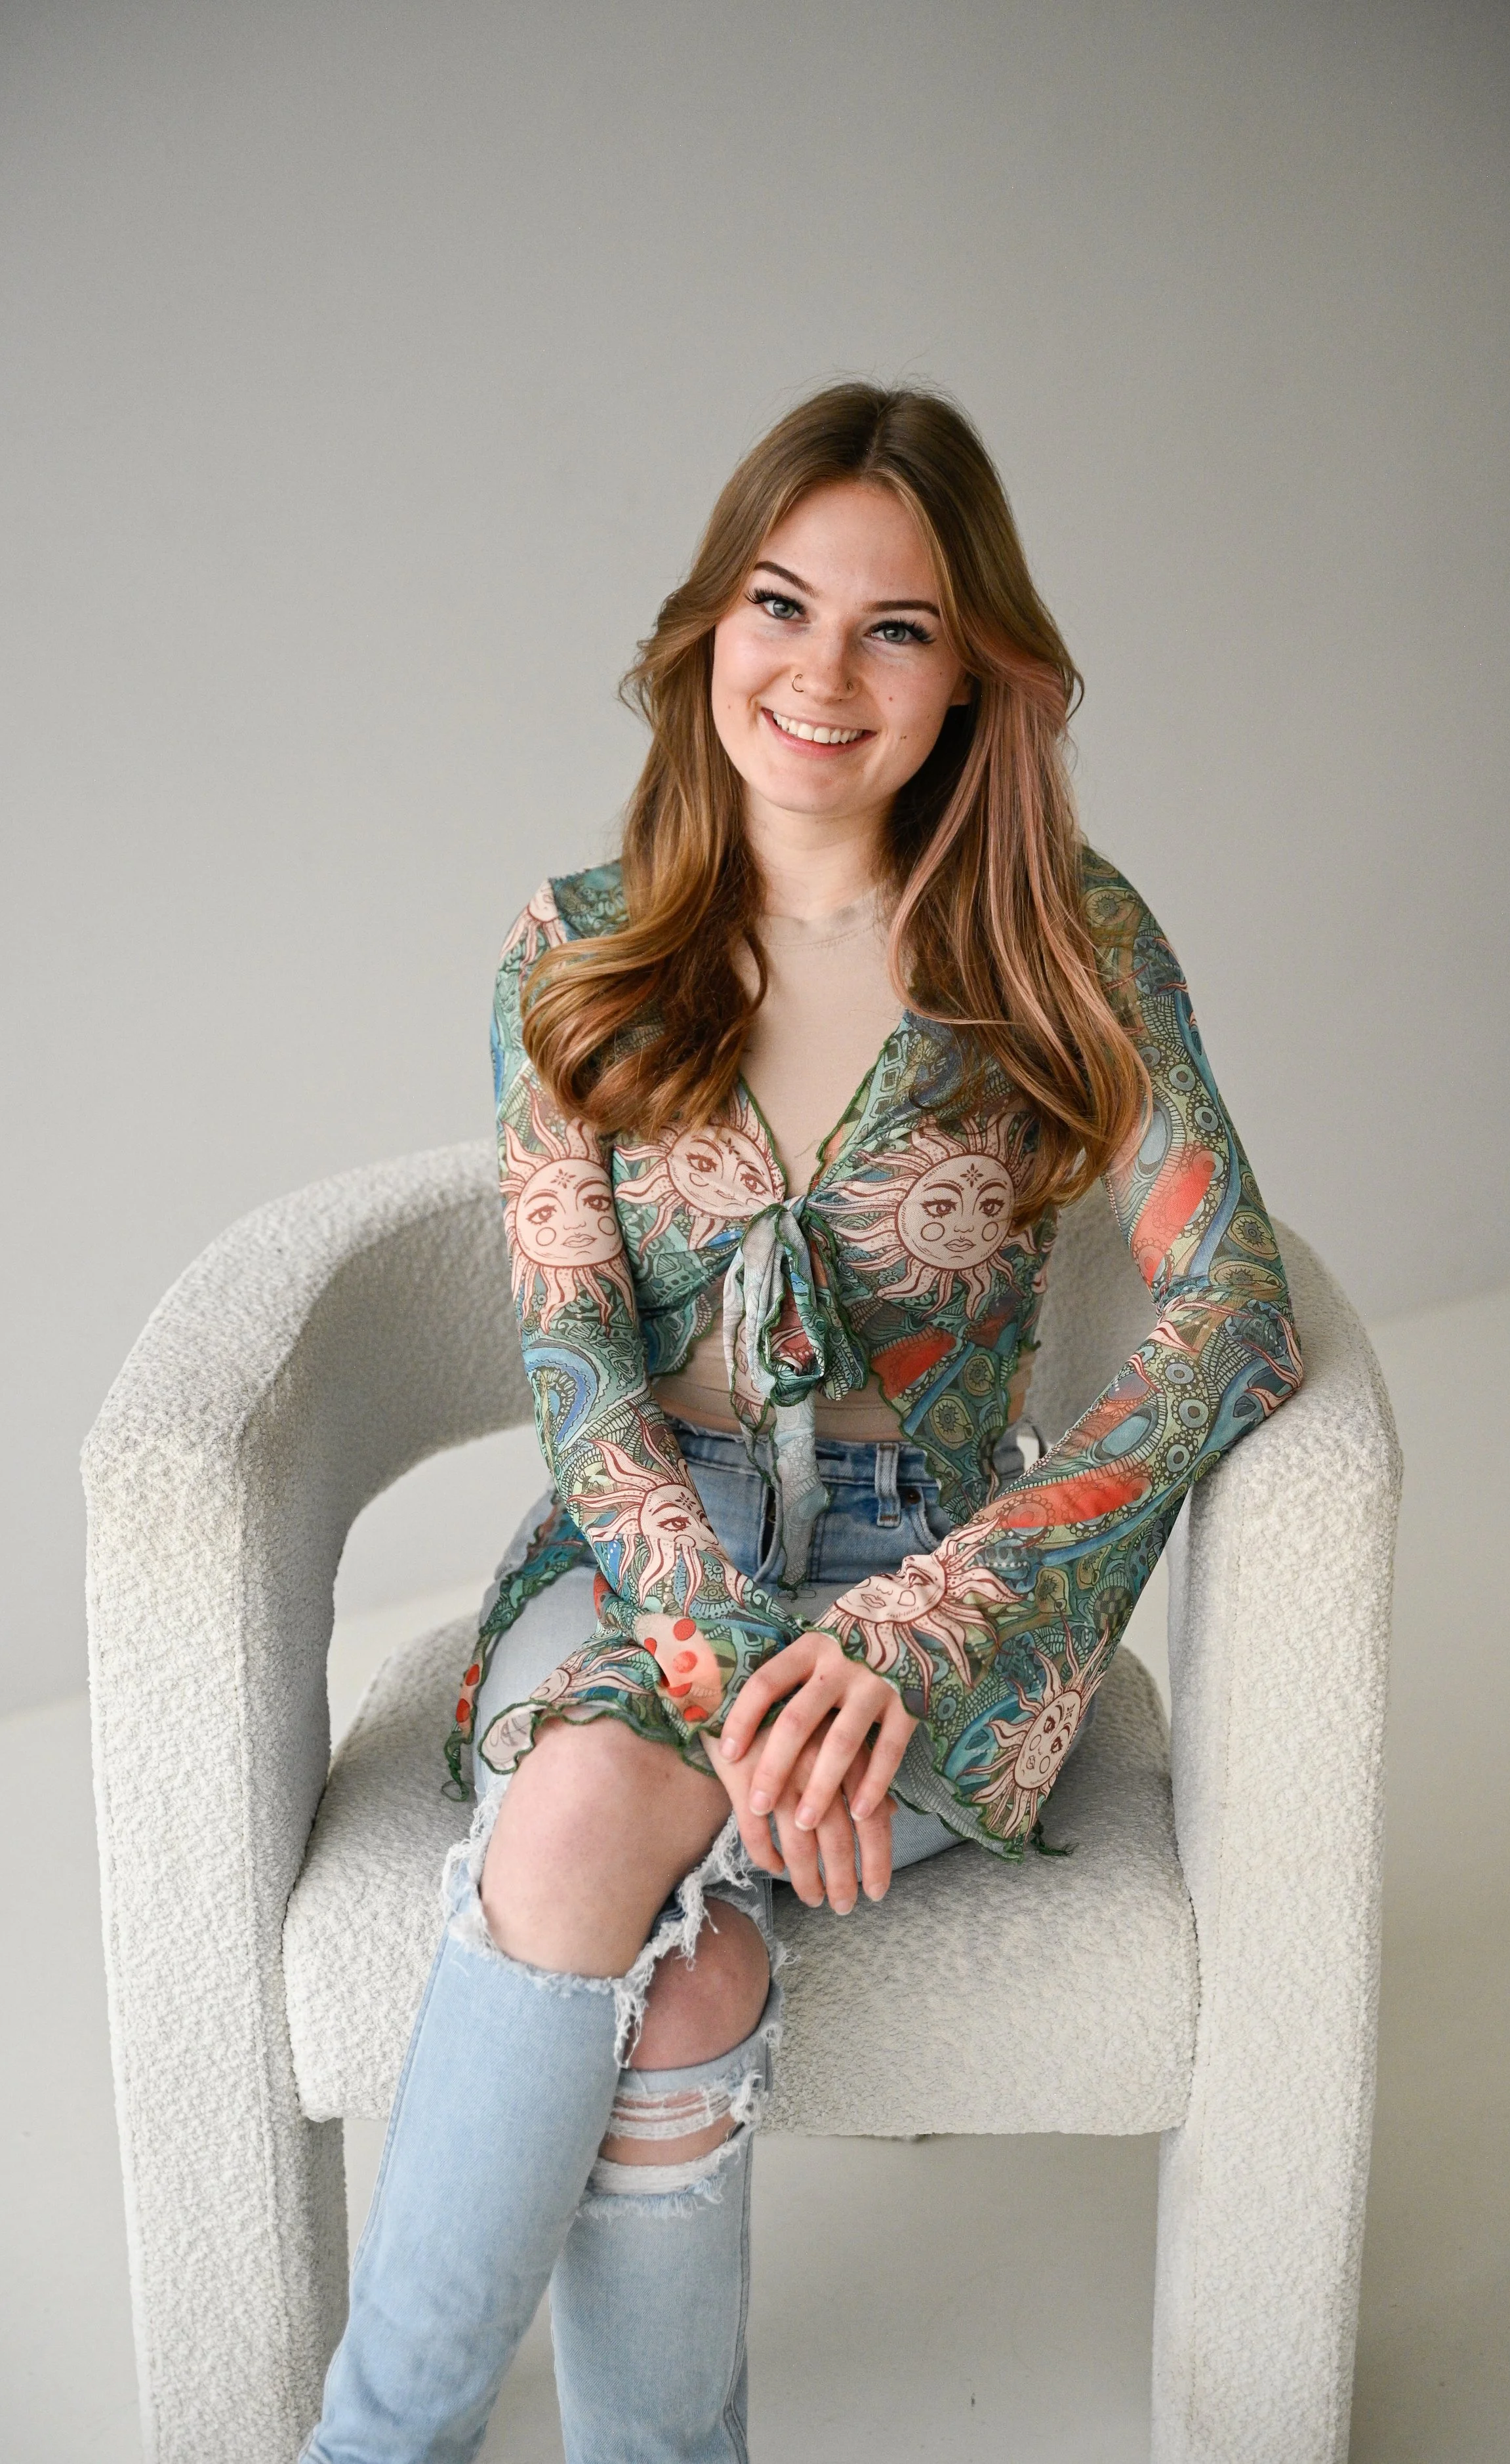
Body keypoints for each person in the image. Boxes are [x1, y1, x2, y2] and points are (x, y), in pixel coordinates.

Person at [302, 382, 1303, 2463]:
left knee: (592, 1841)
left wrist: (923, 1624)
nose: (821, 675)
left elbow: (1233, 1313)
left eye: (894, 627)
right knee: (669, 1958)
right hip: (640, 1559)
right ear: (707, 628)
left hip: (941, 1586)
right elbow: (578, 1374)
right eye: (780, 604)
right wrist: (733, 1657)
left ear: (971, 677)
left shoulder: (1065, 941)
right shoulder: (577, 953)